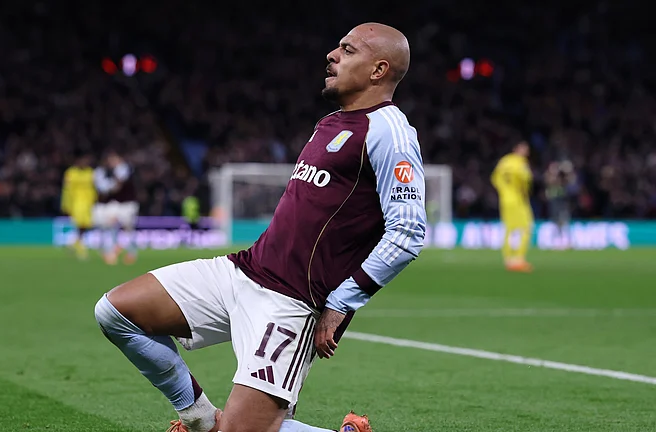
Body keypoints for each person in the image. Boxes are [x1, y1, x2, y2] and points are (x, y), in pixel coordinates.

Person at [94, 22, 426, 432]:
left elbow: (408, 231)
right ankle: (199, 419)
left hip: (290, 301)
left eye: (348, 49)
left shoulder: (389, 131)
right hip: (243, 270)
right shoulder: (331, 123)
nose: (332, 54)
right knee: (115, 312)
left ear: (378, 70)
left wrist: (343, 301)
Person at [490, 141, 534, 272]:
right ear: (517, 149)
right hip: (518, 199)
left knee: (509, 228)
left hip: (505, 199)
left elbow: (494, 178)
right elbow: (525, 179)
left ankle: (508, 259)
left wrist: (503, 191)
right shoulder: (521, 163)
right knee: (526, 226)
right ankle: (519, 259)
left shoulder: (504, 161)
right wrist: (524, 191)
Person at [93, 151, 140, 265]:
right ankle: (112, 251)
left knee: (128, 228)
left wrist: (108, 188)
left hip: (128, 203)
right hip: (116, 203)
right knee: (110, 224)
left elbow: (118, 185)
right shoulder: (106, 171)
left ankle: (131, 252)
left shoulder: (124, 168)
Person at [60, 152, 97, 260]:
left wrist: (94, 200)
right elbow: (67, 190)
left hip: (88, 203)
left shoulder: (90, 172)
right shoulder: (70, 173)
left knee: (84, 226)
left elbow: (94, 188)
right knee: (80, 224)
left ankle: (73, 243)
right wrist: (66, 204)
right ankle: (81, 248)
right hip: (76, 202)